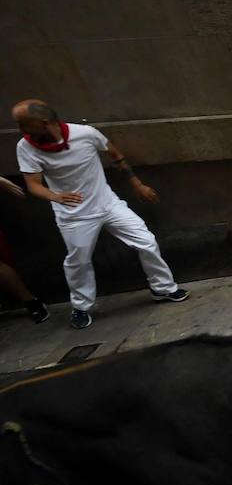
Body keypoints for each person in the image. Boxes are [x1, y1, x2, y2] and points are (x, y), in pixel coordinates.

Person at [13, 100, 187, 329]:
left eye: (24, 125)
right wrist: (55, 196)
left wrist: (137, 183)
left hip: (107, 203)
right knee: (78, 261)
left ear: (44, 123)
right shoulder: (25, 147)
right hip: (74, 214)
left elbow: (115, 154)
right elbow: (33, 184)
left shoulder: (85, 134)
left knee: (146, 241)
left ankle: (163, 288)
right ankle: (81, 307)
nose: (21, 131)